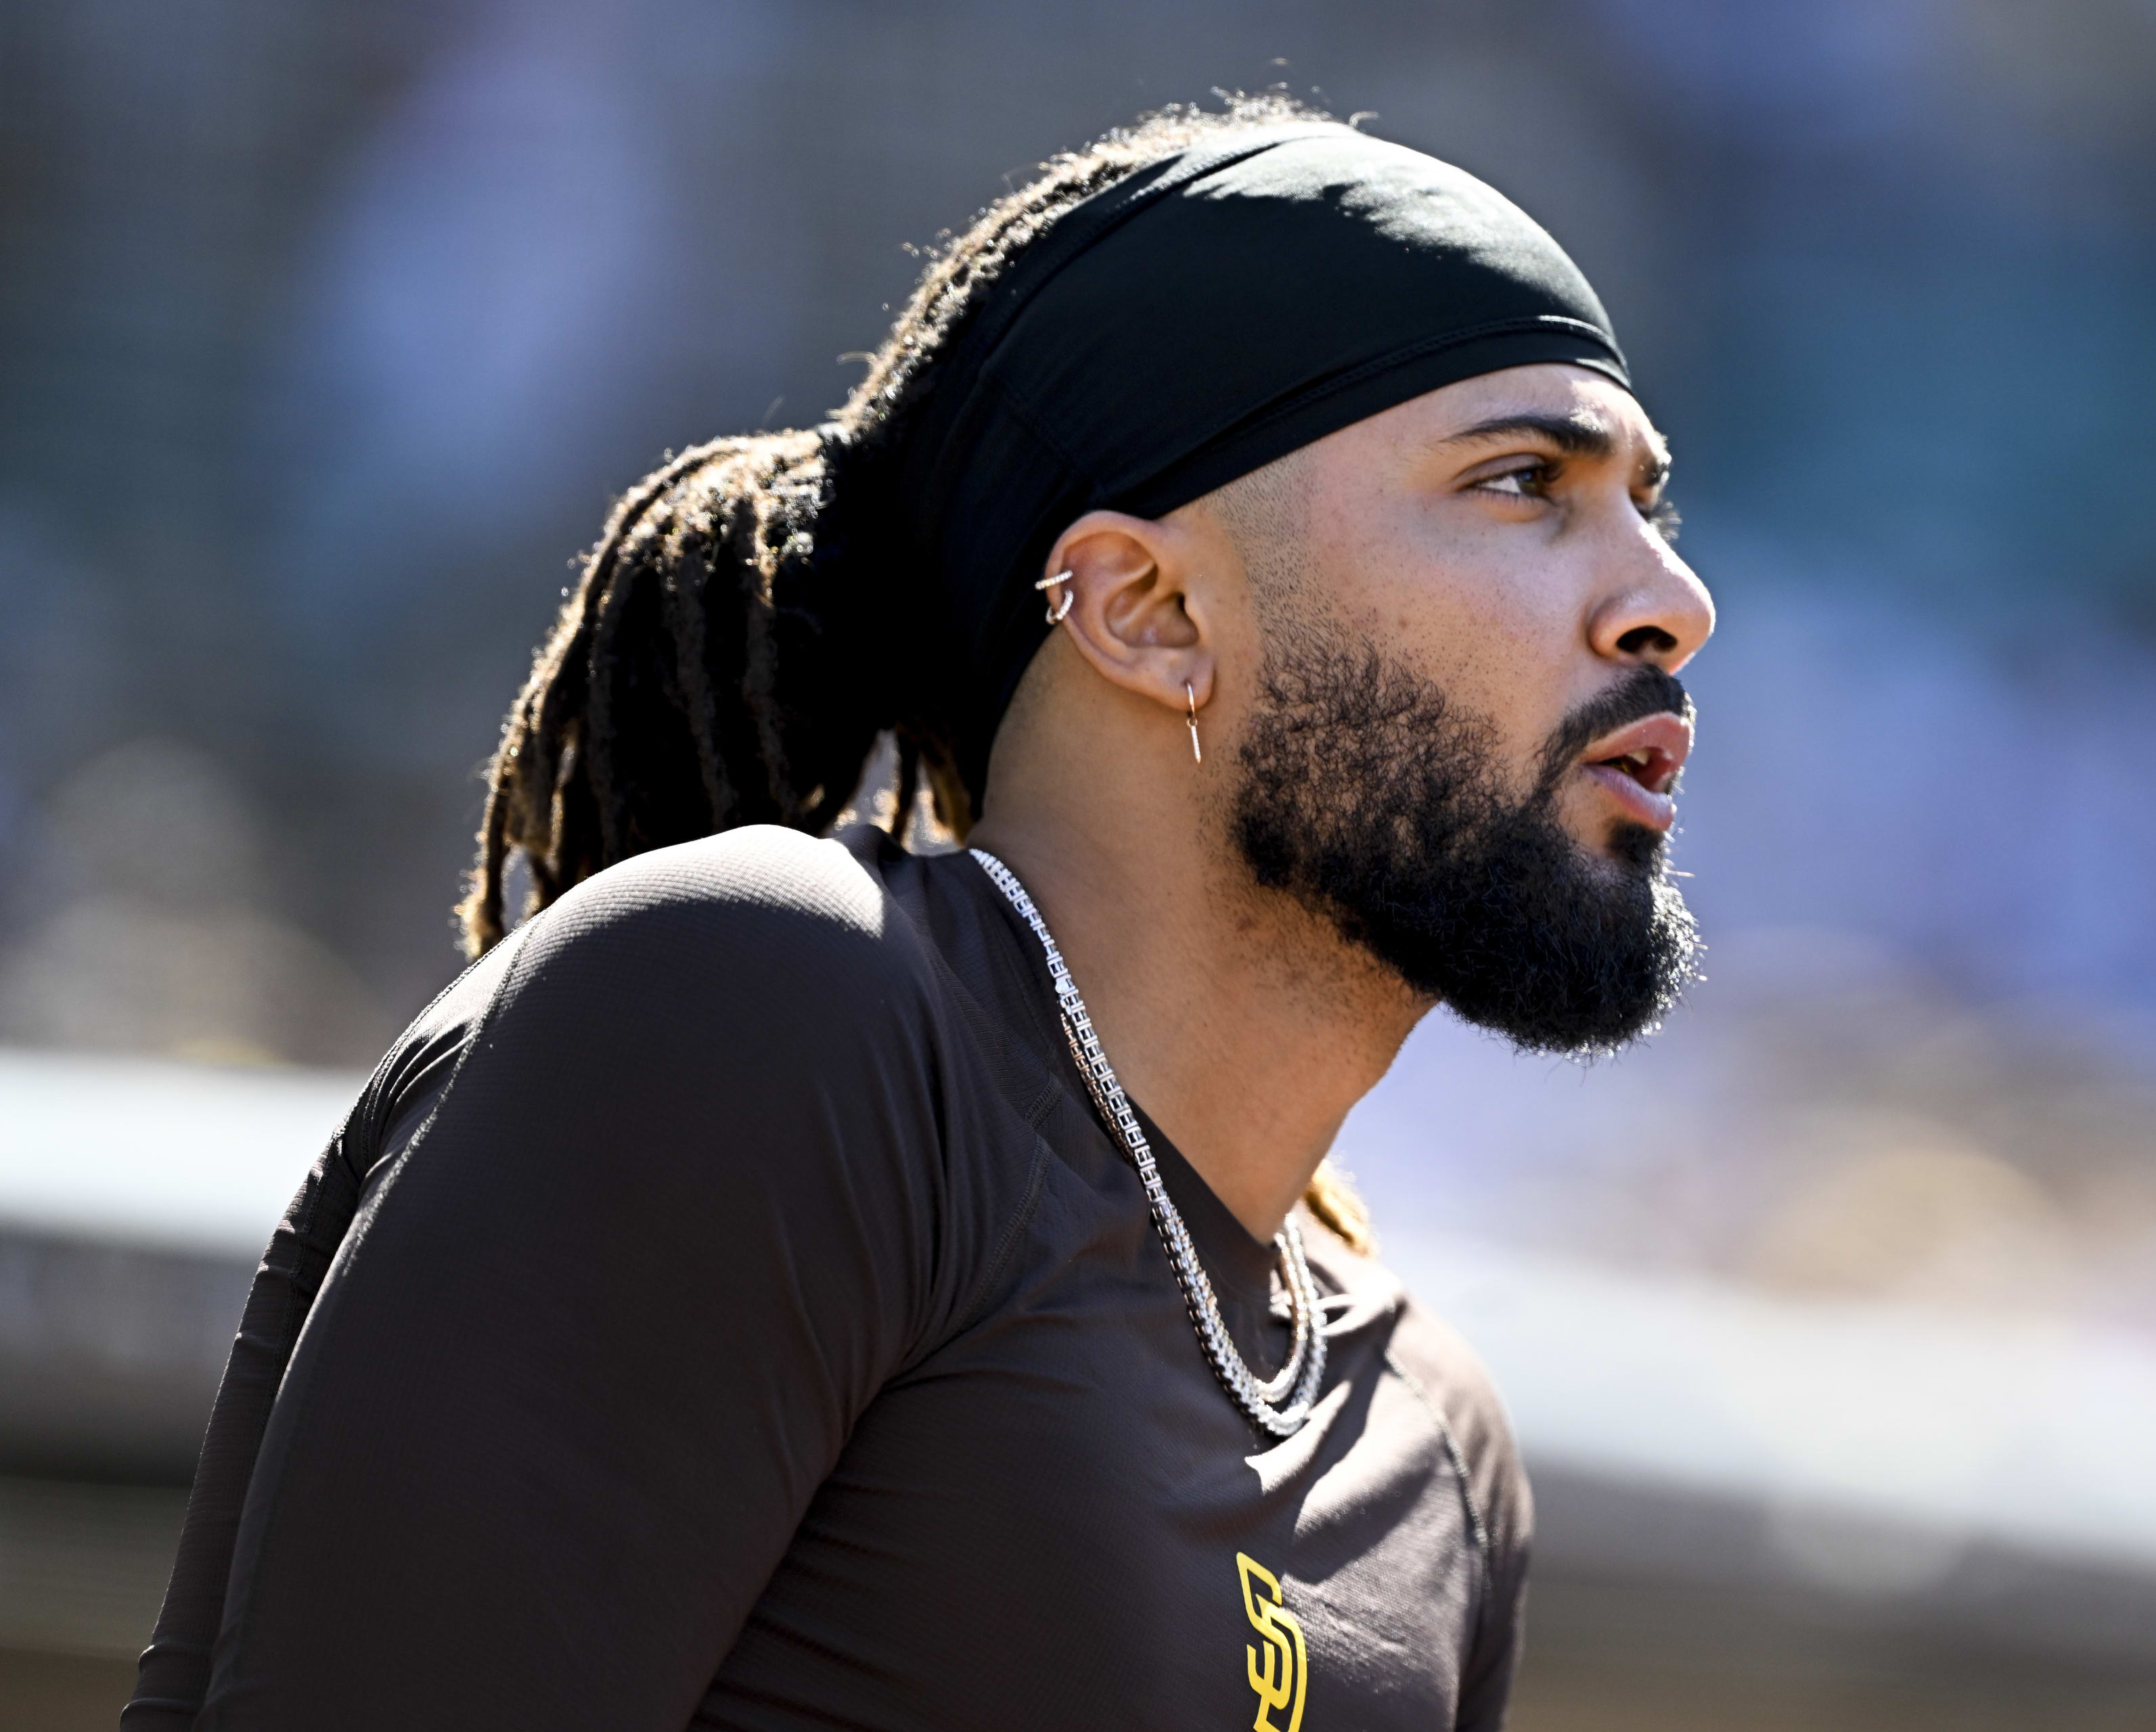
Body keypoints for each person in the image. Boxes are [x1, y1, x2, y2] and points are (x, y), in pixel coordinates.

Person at [127, 94, 1709, 1731]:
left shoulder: (1435, 1447)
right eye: (1526, 480)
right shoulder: (773, 1014)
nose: (1673, 598)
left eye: (1651, 507)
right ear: (1152, 613)